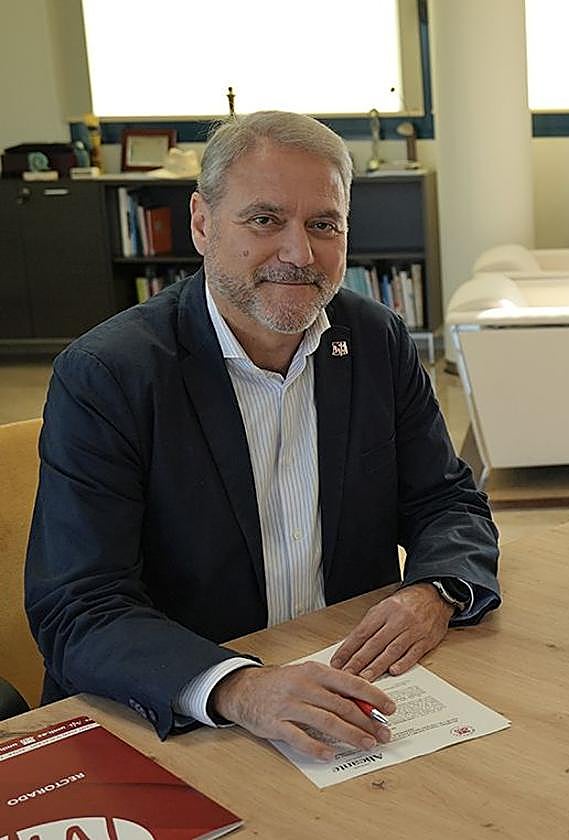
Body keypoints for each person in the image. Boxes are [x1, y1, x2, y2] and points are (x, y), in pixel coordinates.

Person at [25, 111, 500, 761]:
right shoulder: (108, 374)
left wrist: (434, 590)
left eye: (323, 225)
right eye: (265, 220)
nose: (299, 254)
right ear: (202, 224)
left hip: (349, 687)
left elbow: (446, 500)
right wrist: (238, 687)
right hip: (178, 717)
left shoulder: (374, 339)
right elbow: (78, 608)